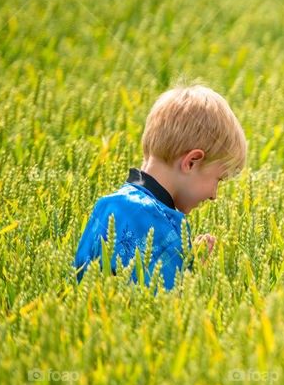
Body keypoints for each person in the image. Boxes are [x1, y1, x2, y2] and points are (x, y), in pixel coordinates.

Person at [73, 83, 247, 290]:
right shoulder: (154, 222)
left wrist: (192, 261)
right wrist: (195, 273)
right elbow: (163, 303)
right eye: (218, 180)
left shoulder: (107, 205)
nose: (214, 195)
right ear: (191, 162)